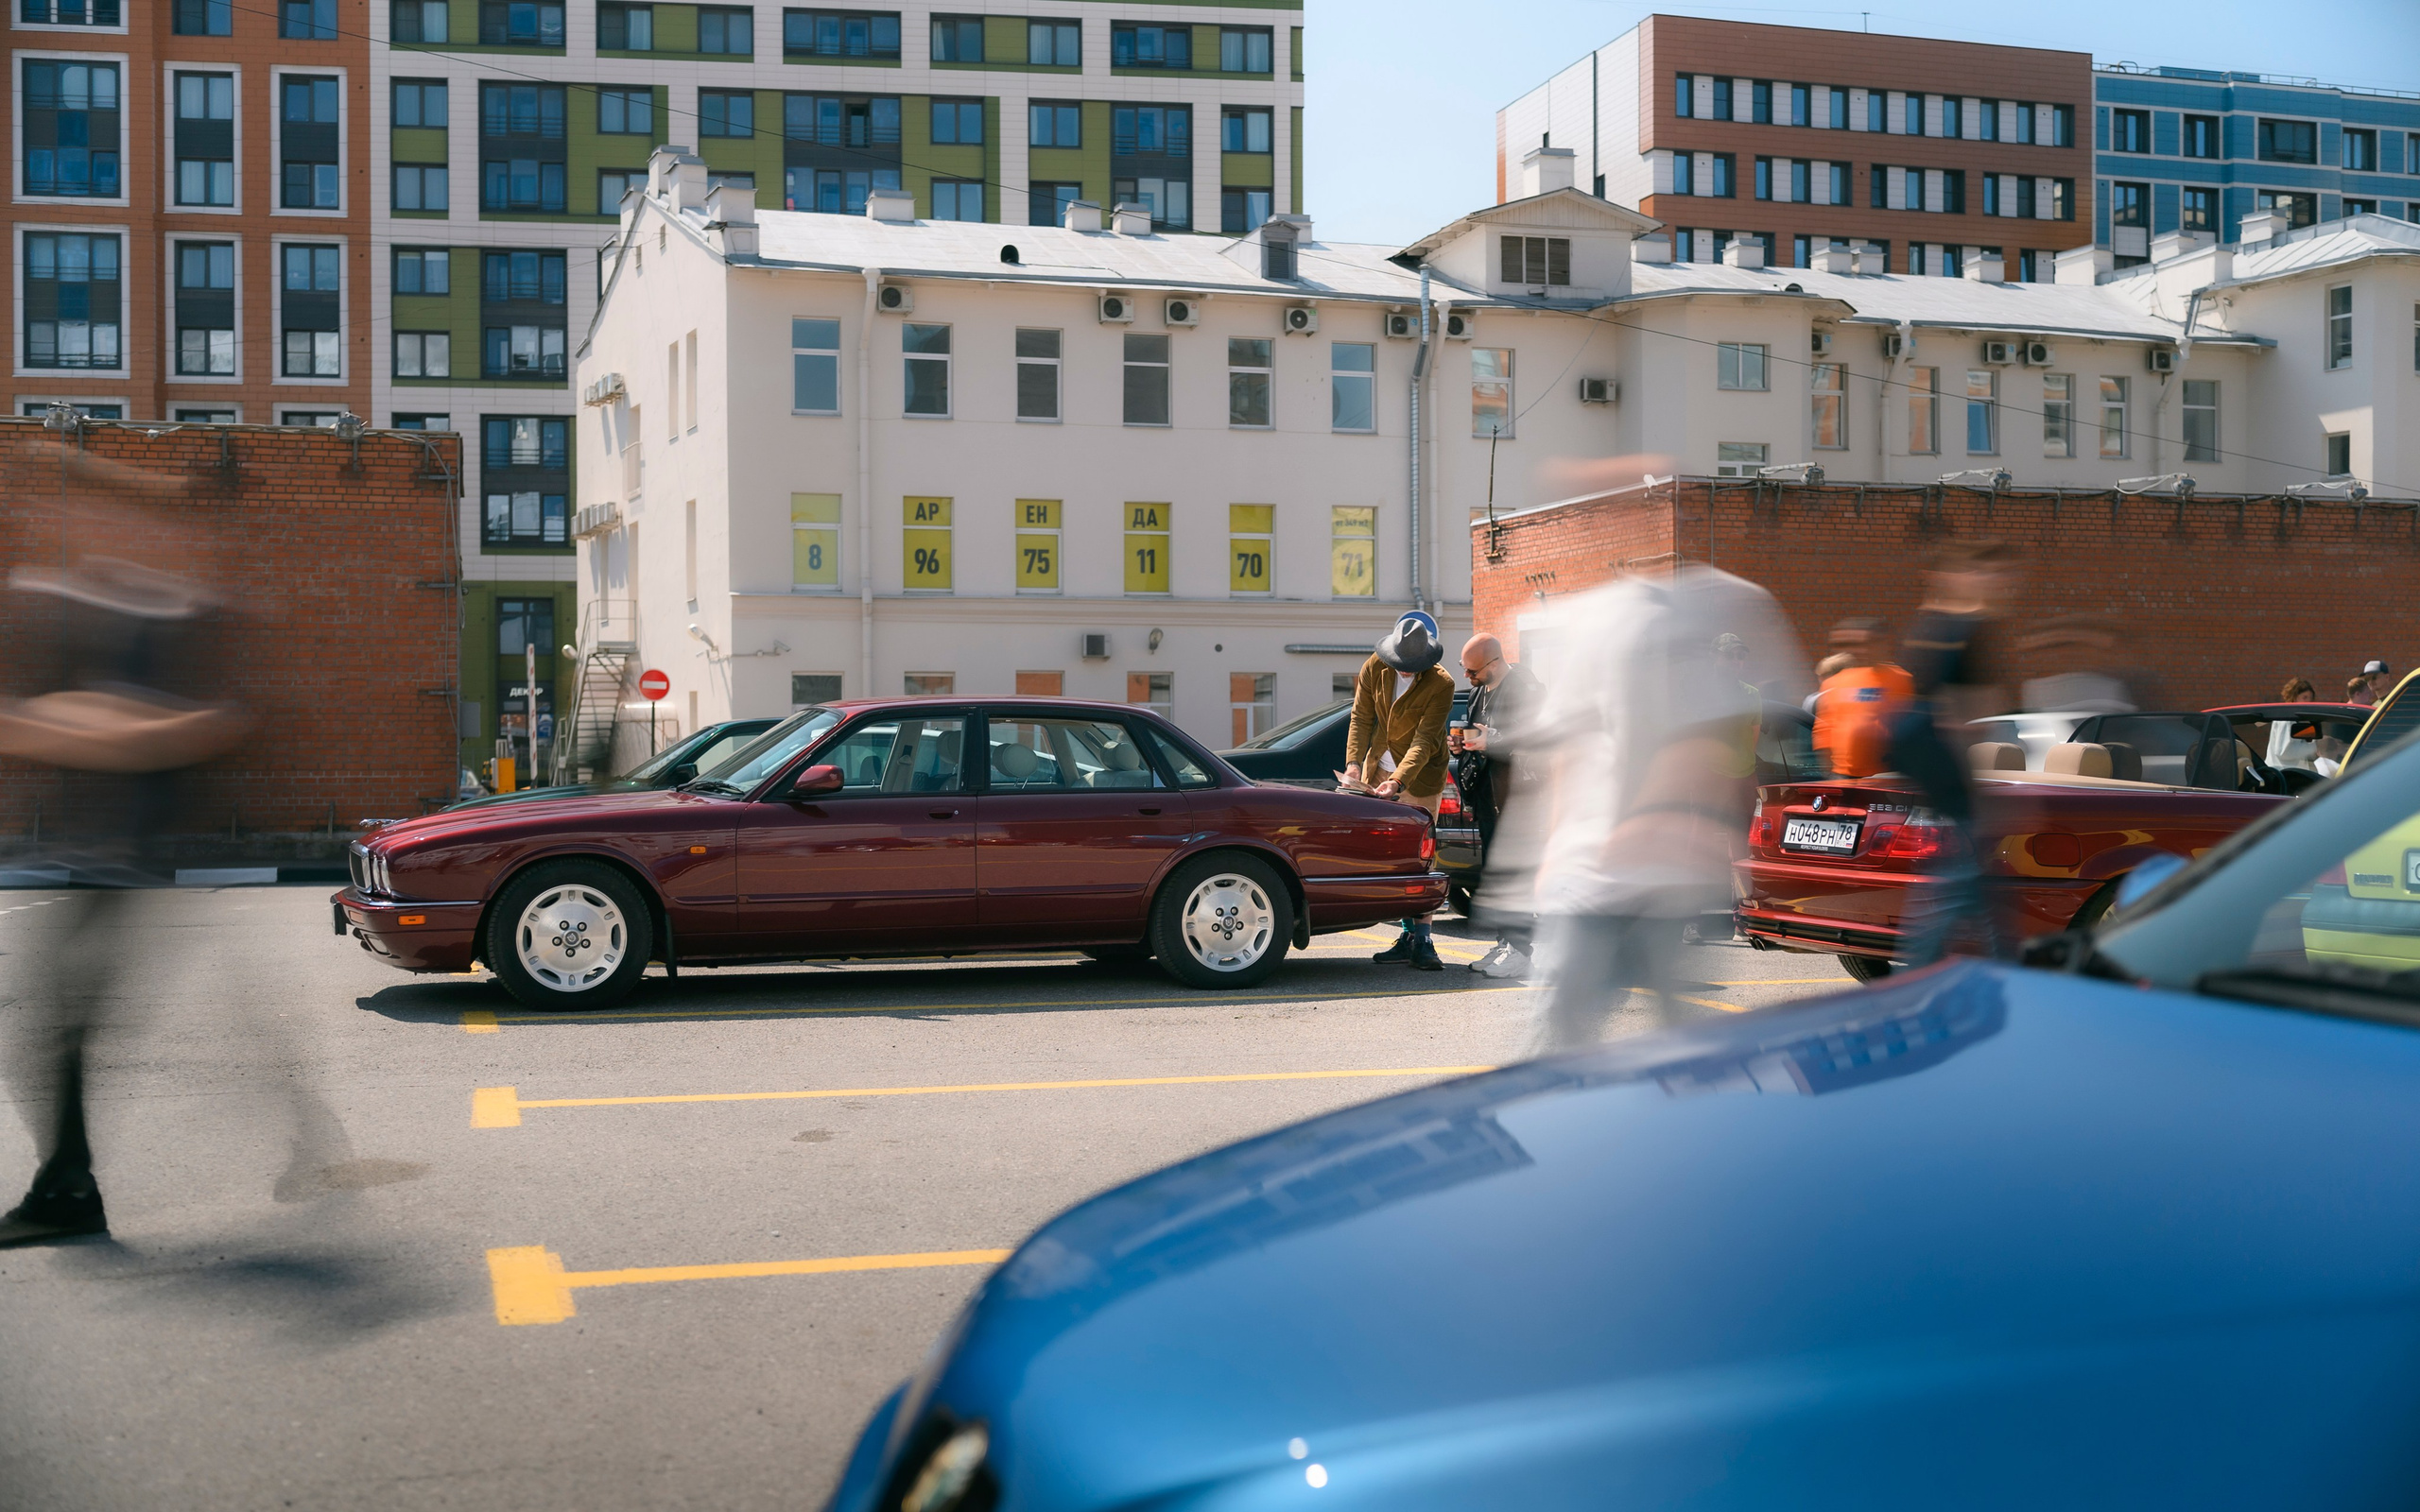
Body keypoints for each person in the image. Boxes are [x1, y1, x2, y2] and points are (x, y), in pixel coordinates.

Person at [1494, 566, 1805, 1054]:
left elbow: (1701, 752)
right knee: (1565, 1033)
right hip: (1592, 877)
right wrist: (1553, 848)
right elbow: (1567, 756)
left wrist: (1655, 823)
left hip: (1656, 881)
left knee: (1663, 1044)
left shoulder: (1693, 631)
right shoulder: (1592, 628)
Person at [1886, 539, 2020, 967]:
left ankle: (2001, 971)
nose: (2006, 584)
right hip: (1944, 773)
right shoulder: (1964, 628)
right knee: (1958, 884)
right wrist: (1977, 795)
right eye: (1997, 574)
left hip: (1932, 769)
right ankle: (1920, 978)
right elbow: (1957, 720)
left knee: (1969, 887)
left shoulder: (1937, 624)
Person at [1344, 610, 1455, 971]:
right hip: (1377, 771)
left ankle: (1424, 941)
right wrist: (1354, 764)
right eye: (1400, 664)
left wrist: (1398, 781)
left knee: (1421, 859)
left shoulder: (1442, 684)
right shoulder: (1375, 666)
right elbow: (1361, 717)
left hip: (1420, 778)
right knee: (1392, 859)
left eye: (1412, 666)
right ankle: (1408, 936)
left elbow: (1425, 740)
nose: (1404, 671)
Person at [1450, 633, 1541, 979]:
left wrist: (1495, 740)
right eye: (1465, 671)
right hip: (1487, 795)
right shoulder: (1478, 691)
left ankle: (1522, 951)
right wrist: (1462, 747)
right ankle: (1507, 943)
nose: (1468, 678)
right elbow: (1479, 737)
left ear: (1494, 663)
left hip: (1516, 796)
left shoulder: (1524, 688)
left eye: (1473, 672)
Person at [1811, 617, 1913, 778]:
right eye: (1860, 644)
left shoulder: (1902, 681)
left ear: (1885, 644)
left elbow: (1913, 729)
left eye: (1872, 642)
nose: (1865, 650)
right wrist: (1830, 775)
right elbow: (1824, 731)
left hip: (1887, 776)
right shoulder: (1835, 683)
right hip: (1842, 775)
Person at [2268, 677, 2320, 773]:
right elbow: (2284, 752)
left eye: (2311, 698)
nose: (2308, 702)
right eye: (2304, 698)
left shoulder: (2297, 719)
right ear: (2294, 697)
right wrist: (2315, 747)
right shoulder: (2286, 718)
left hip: (2291, 774)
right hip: (2283, 776)